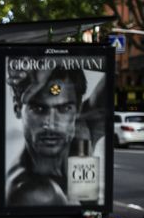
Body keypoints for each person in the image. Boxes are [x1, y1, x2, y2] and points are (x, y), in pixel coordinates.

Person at [5, 65, 89, 206]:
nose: (50, 124)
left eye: (64, 109)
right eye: (38, 108)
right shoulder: (34, 194)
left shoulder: (83, 131)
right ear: (17, 108)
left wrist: (54, 58)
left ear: (78, 109)